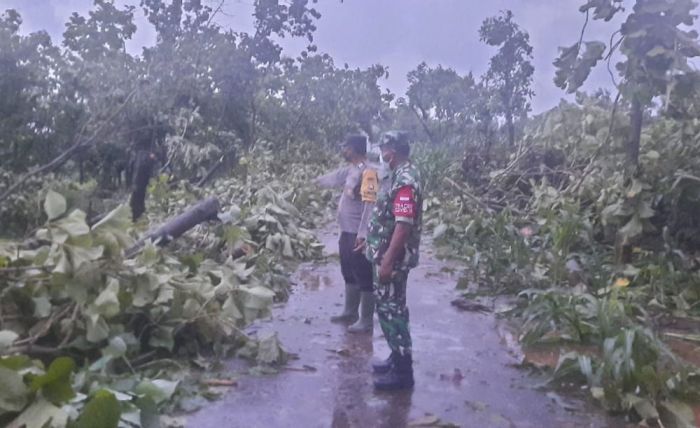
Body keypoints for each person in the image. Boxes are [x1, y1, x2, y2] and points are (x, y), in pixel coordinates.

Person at [364, 131, 422, 390]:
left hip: (393, 259)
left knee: (392, 309)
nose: (382, 152)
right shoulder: (398, 175)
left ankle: (402, 373)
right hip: (386, 255)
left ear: (394, 150)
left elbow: (403, 224)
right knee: (390, 307)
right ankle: (396, 357)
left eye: (385, 148)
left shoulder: (406, 180)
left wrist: (387, 260)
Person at [315, 134, 379, 333]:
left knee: (363, 274)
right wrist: (314, 181)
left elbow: (370, 204)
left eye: (346, 147)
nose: (343, 150)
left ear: (354, 149)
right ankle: (350, 312)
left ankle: (366, 319)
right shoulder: (352, 169)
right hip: (346, 231)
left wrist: (363, 233)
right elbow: (334, 177)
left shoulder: (369, 172)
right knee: (348, 271)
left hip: (357, 233)